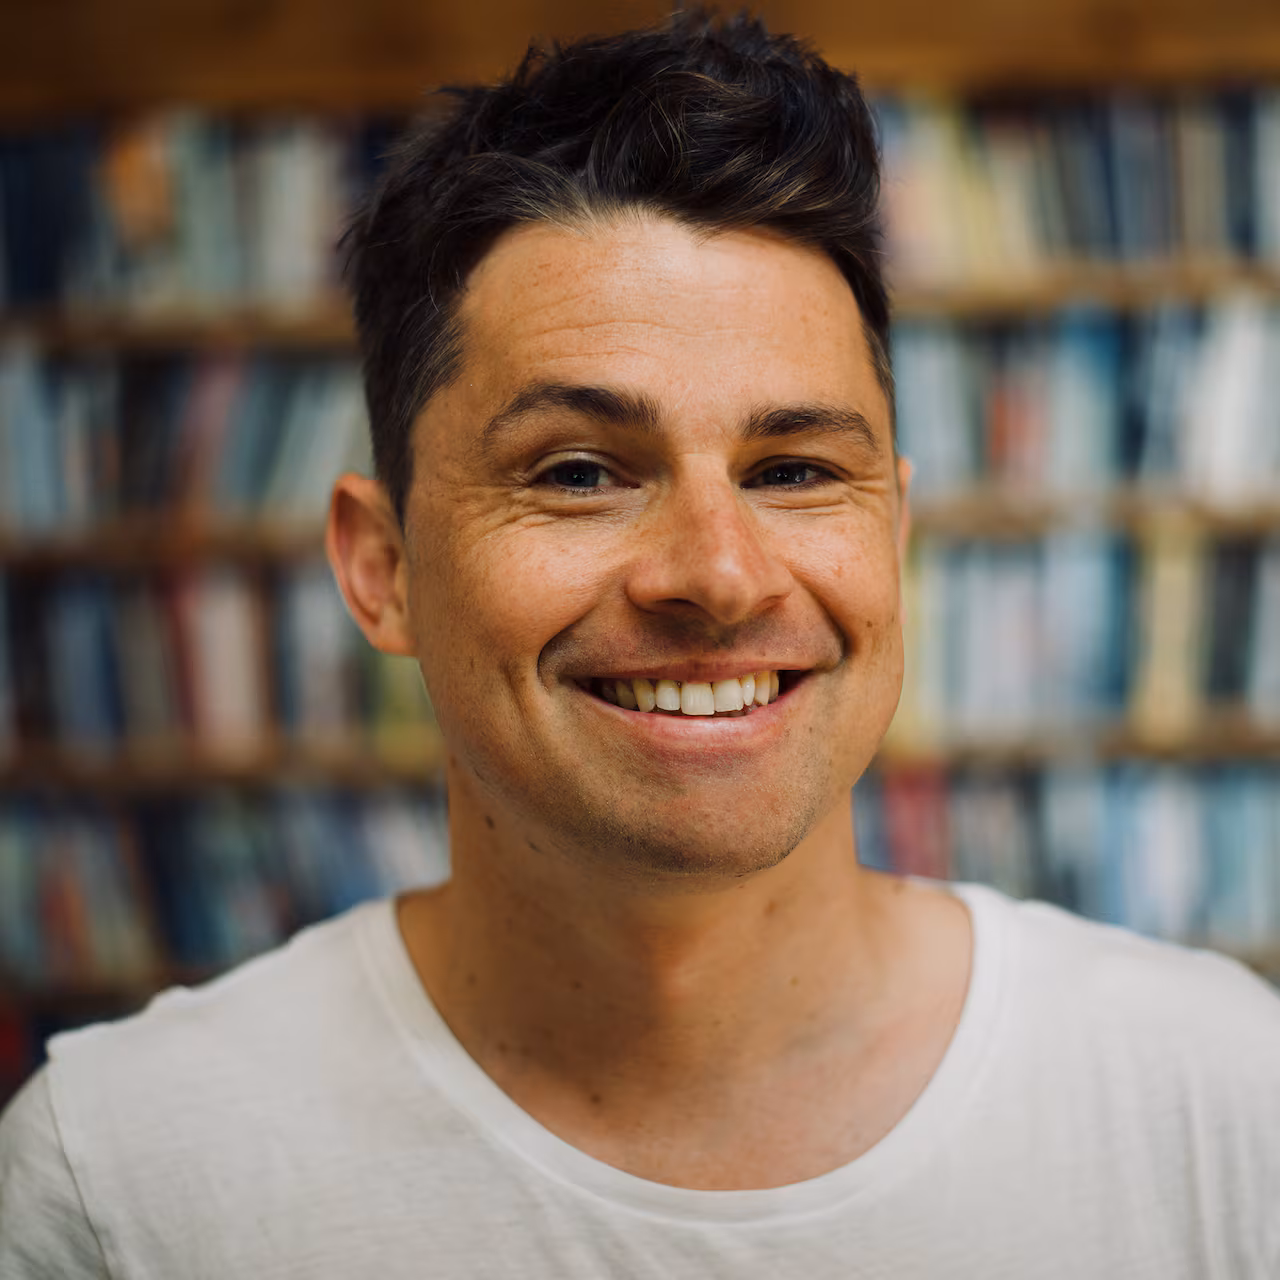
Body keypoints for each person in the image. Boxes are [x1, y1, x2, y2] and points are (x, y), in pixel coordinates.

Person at [2, 12, 1278, 1276]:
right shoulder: (120, 1181)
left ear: (891, 535)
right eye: (576, 471)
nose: (718, 573)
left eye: (790, 468)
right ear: (379, 569)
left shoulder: (1221, 1105)